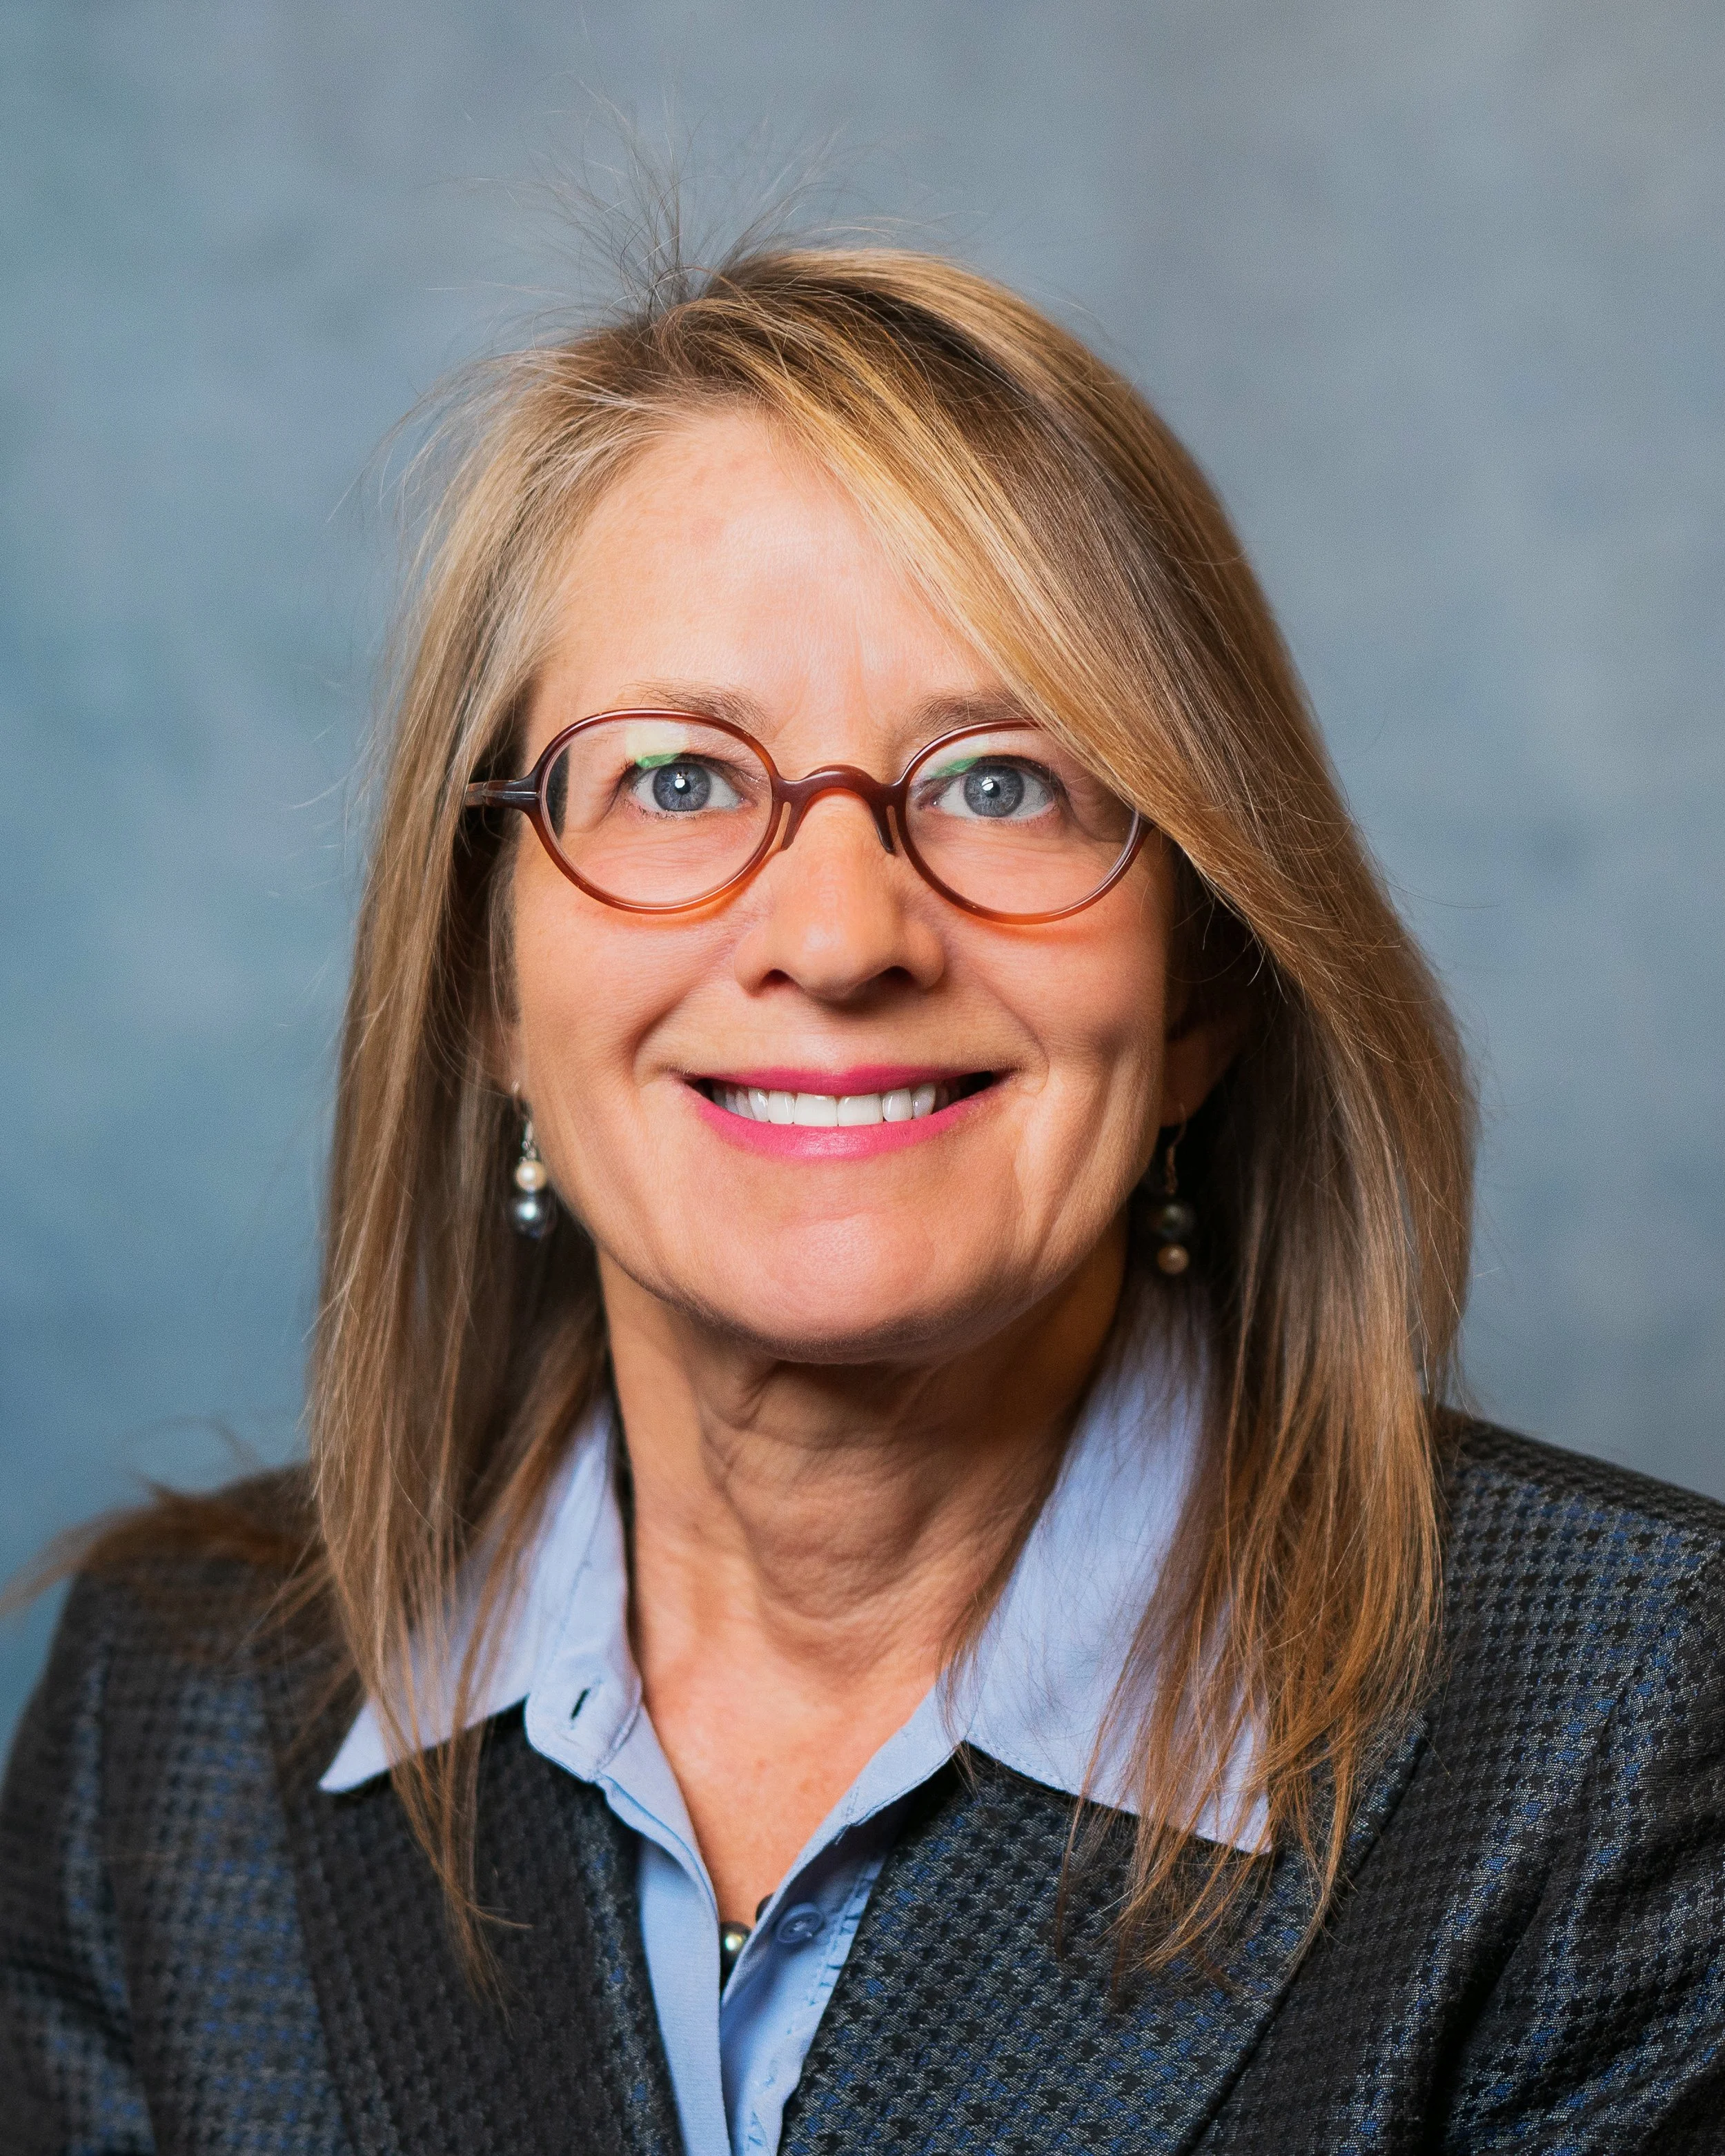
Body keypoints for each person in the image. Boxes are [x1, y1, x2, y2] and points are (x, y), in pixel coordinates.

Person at [3, 240, 1722, 2156]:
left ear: (1203, 988)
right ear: (483, 974)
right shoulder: (168, 1715)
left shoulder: (1622, 1726)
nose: (834, 934)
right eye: (669, 777)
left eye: (1001, 781)